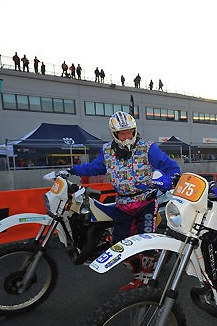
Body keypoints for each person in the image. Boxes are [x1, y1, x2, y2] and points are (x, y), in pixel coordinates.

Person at [69, 112, 180, 286]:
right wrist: (73, 170)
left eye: (130, 132)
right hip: (122, 203)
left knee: (147, 241)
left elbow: (171, 167)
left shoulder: (148, 147)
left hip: (146, 200)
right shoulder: (107, 151)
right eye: (122, 133)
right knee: (119, 245)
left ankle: (148, 277)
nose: (127, 136)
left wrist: (169, 180)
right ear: (115, 134)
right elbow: (94, 167)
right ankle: (137, 275)